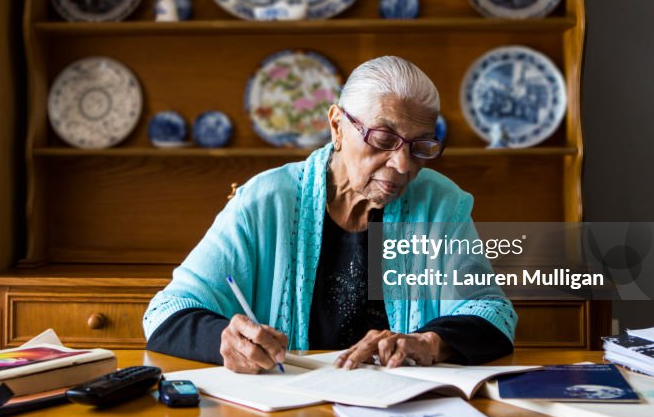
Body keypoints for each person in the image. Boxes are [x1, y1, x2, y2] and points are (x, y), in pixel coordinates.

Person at [143, 56, 517, 373]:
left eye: (420, 147)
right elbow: (166, 312)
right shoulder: (266, 200)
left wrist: (429, 342)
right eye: (384, 140)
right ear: (337, 125)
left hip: (400, 412)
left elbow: (491, 312)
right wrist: (226, 340)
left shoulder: (440, 204)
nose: (403, 164)